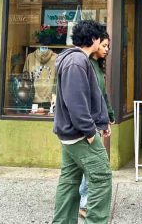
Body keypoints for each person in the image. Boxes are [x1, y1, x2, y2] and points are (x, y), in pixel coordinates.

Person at [52, 20, 112, 224]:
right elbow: (76, 103)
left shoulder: (75, 60)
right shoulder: (77, 62)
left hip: (72, 134)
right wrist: (89, 133)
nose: (104, 45)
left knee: (69, 181)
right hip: (79, 135)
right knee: (101, 177)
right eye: (101, 40)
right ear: (94, 39)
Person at [78, 37, 114, 219]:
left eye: (108, 46)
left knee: (86, 165)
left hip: (94, 122)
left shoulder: (98, 67)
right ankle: (84, 202)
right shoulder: (85, 64)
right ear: (94, 43)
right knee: (95, 165)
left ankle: (82, 201)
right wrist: (90, 129)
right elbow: (83, 98)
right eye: (104, 45)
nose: (107, 49)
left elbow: (102, 94)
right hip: (87, 125)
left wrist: (109, 116)